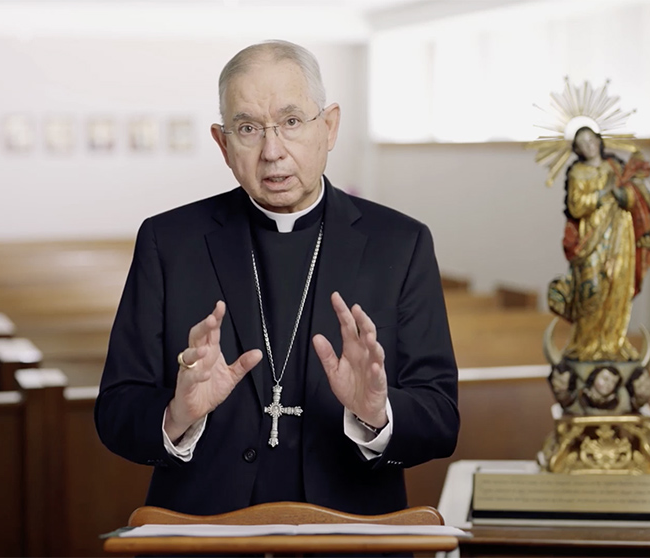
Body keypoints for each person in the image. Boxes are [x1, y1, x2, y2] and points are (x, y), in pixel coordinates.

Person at [95, 40, 459, 516]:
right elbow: (116, 410)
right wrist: (176, 415)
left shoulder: (402, 242)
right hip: (205, 533)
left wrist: (377, 413)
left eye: (291, 122)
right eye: (247, 128)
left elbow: (442, 419)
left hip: (351, 534)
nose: (272, 152)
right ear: (223, 143)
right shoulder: (168, 242)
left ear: (328, 127)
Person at [547, 126, 650, 362]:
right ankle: (586, 345)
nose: (589, 145)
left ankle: (613, 343)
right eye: (582, 142)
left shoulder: (616, 167)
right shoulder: (577, 172)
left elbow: (633, 197)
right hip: (591, 238)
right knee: (592, 289)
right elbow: (576, 206)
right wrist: (601, 194)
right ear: (577, 149)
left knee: (618, 286)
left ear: (599, 140)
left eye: (591, 139)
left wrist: (622, 195)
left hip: (620, 235)